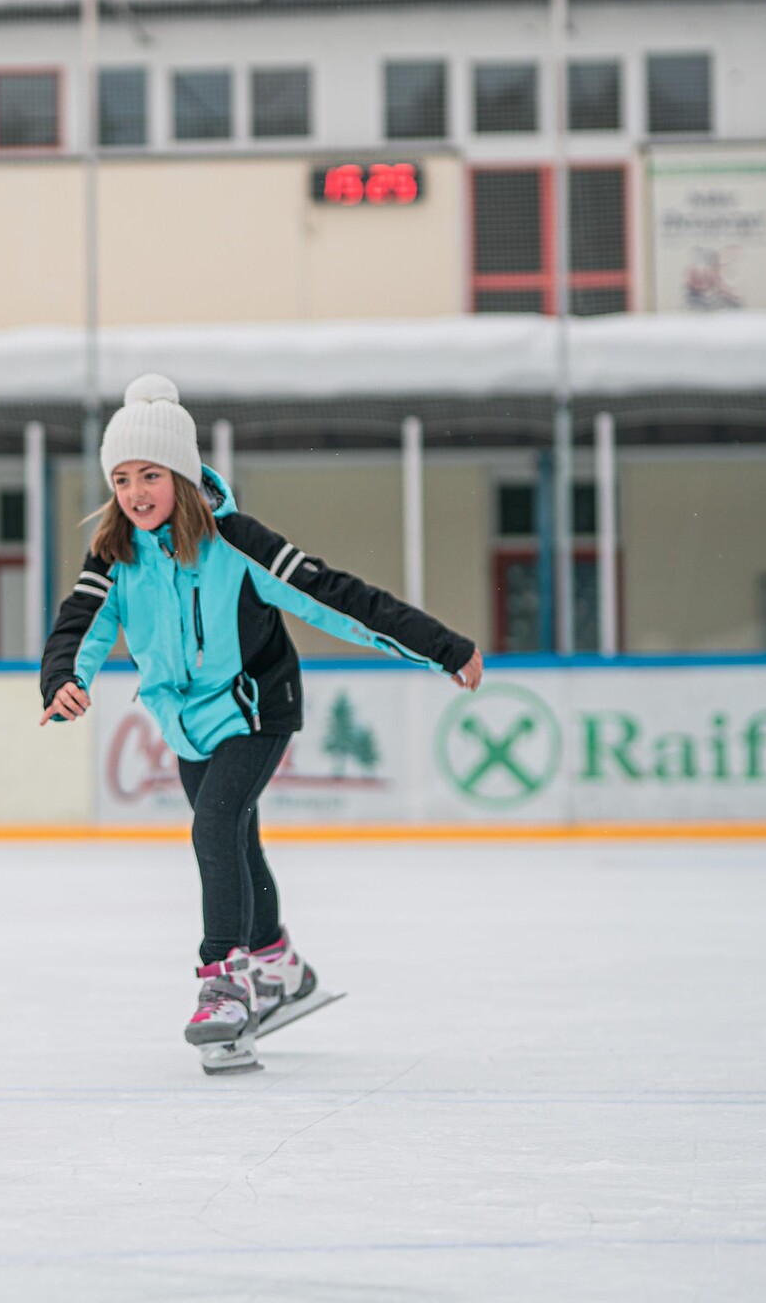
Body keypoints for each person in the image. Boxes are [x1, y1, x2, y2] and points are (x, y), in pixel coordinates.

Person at [39, 375, 483, 1074]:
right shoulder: (116, 554)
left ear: (182, 477)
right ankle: (279, 964)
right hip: (184, 722)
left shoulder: (236, 542)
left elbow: (336, 597)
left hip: (254, 708)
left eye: (150, 474)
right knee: (236, 837)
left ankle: (225, 982)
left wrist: (441, 647)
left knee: (215, 825)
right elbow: (81, 622)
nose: (134, 493)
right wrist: (65, 678)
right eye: (121, 478)